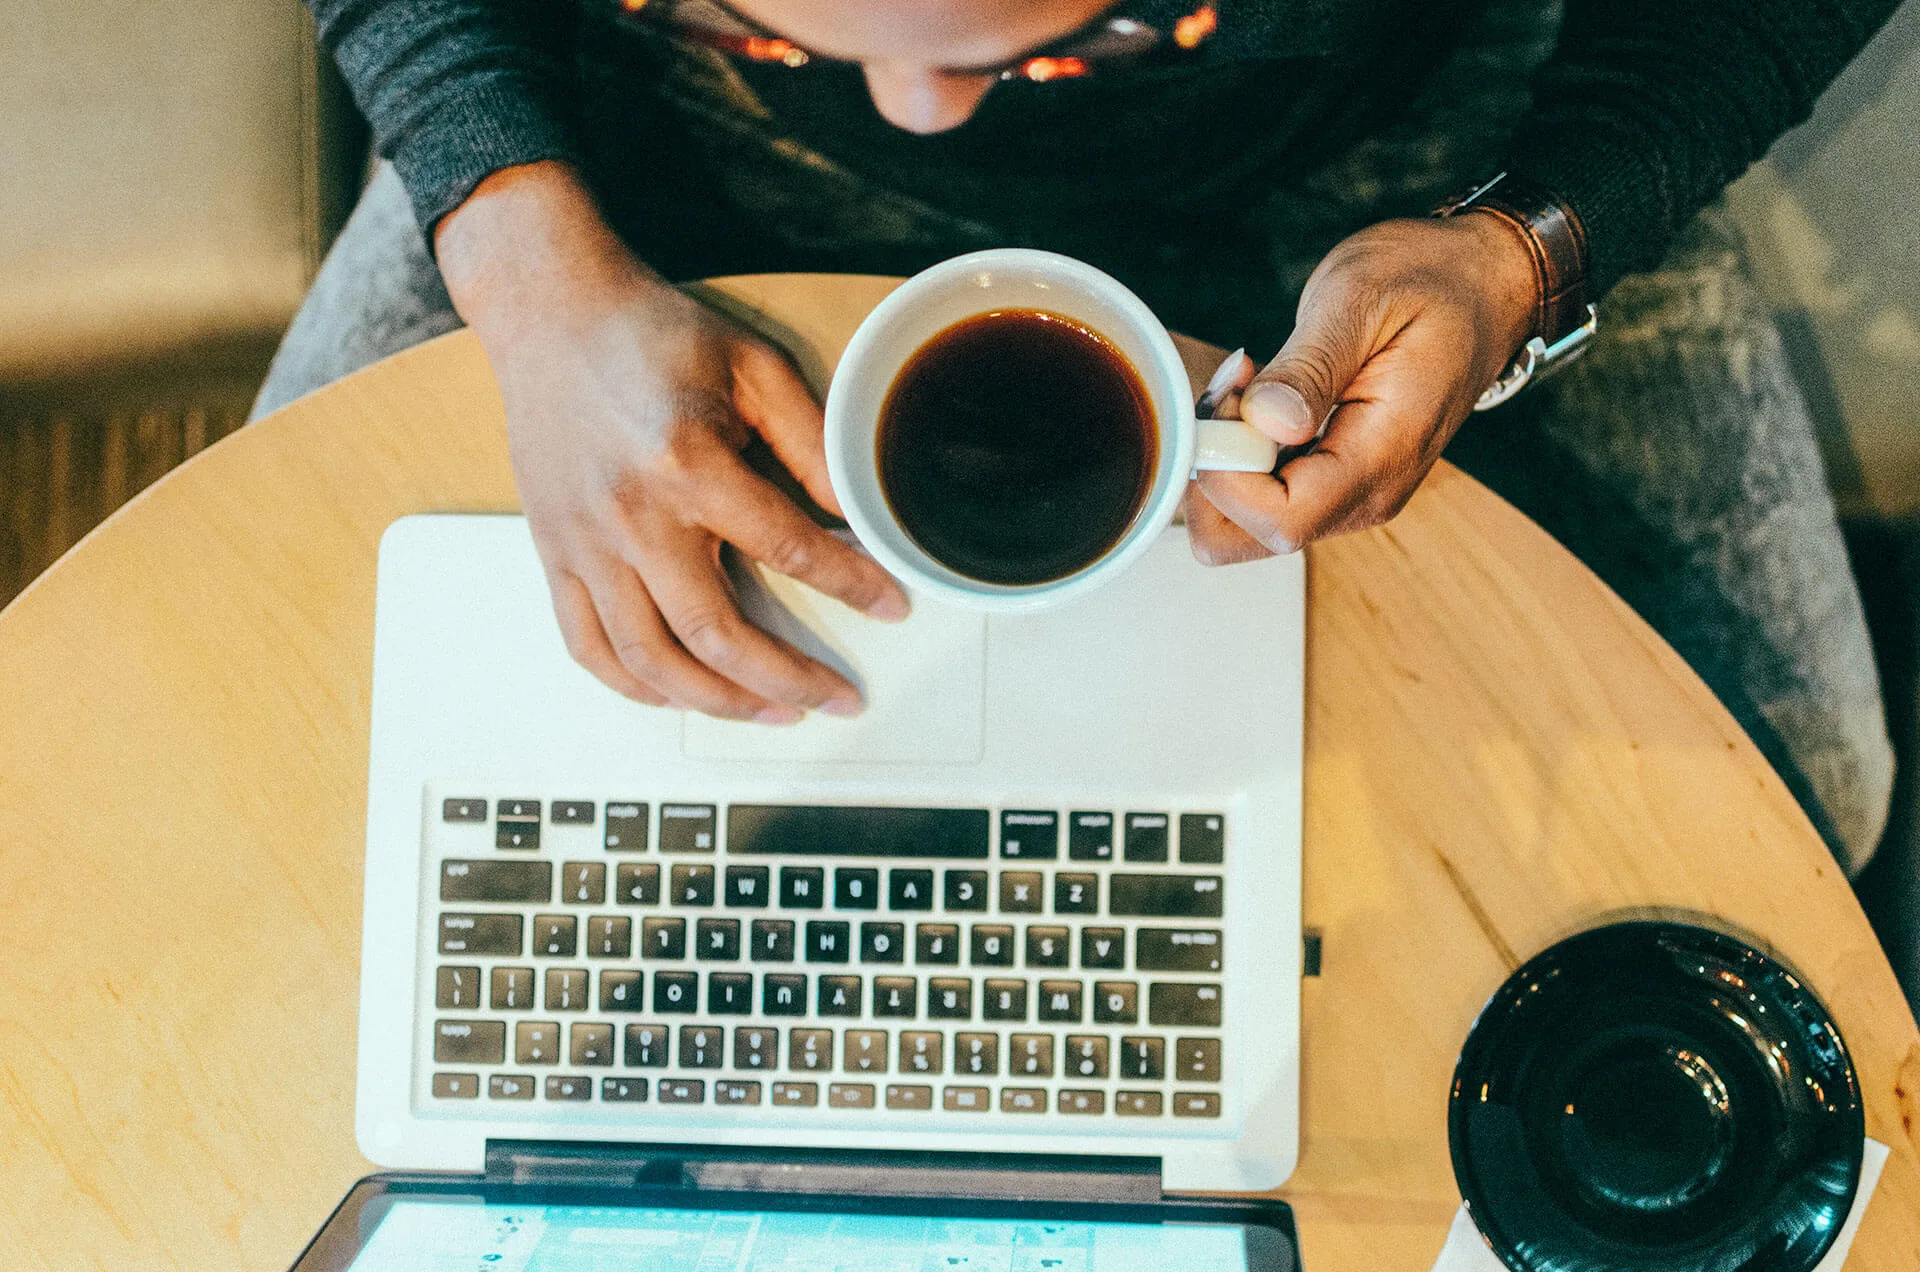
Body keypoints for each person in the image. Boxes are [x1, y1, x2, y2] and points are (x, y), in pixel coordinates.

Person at [257, 0, 1902, 872]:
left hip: (1410, 136)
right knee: (277, 723)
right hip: (606, 135)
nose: (916, 104)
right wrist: (518, 256)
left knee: (1800, 789)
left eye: (1103, 19)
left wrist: (1527, 248)